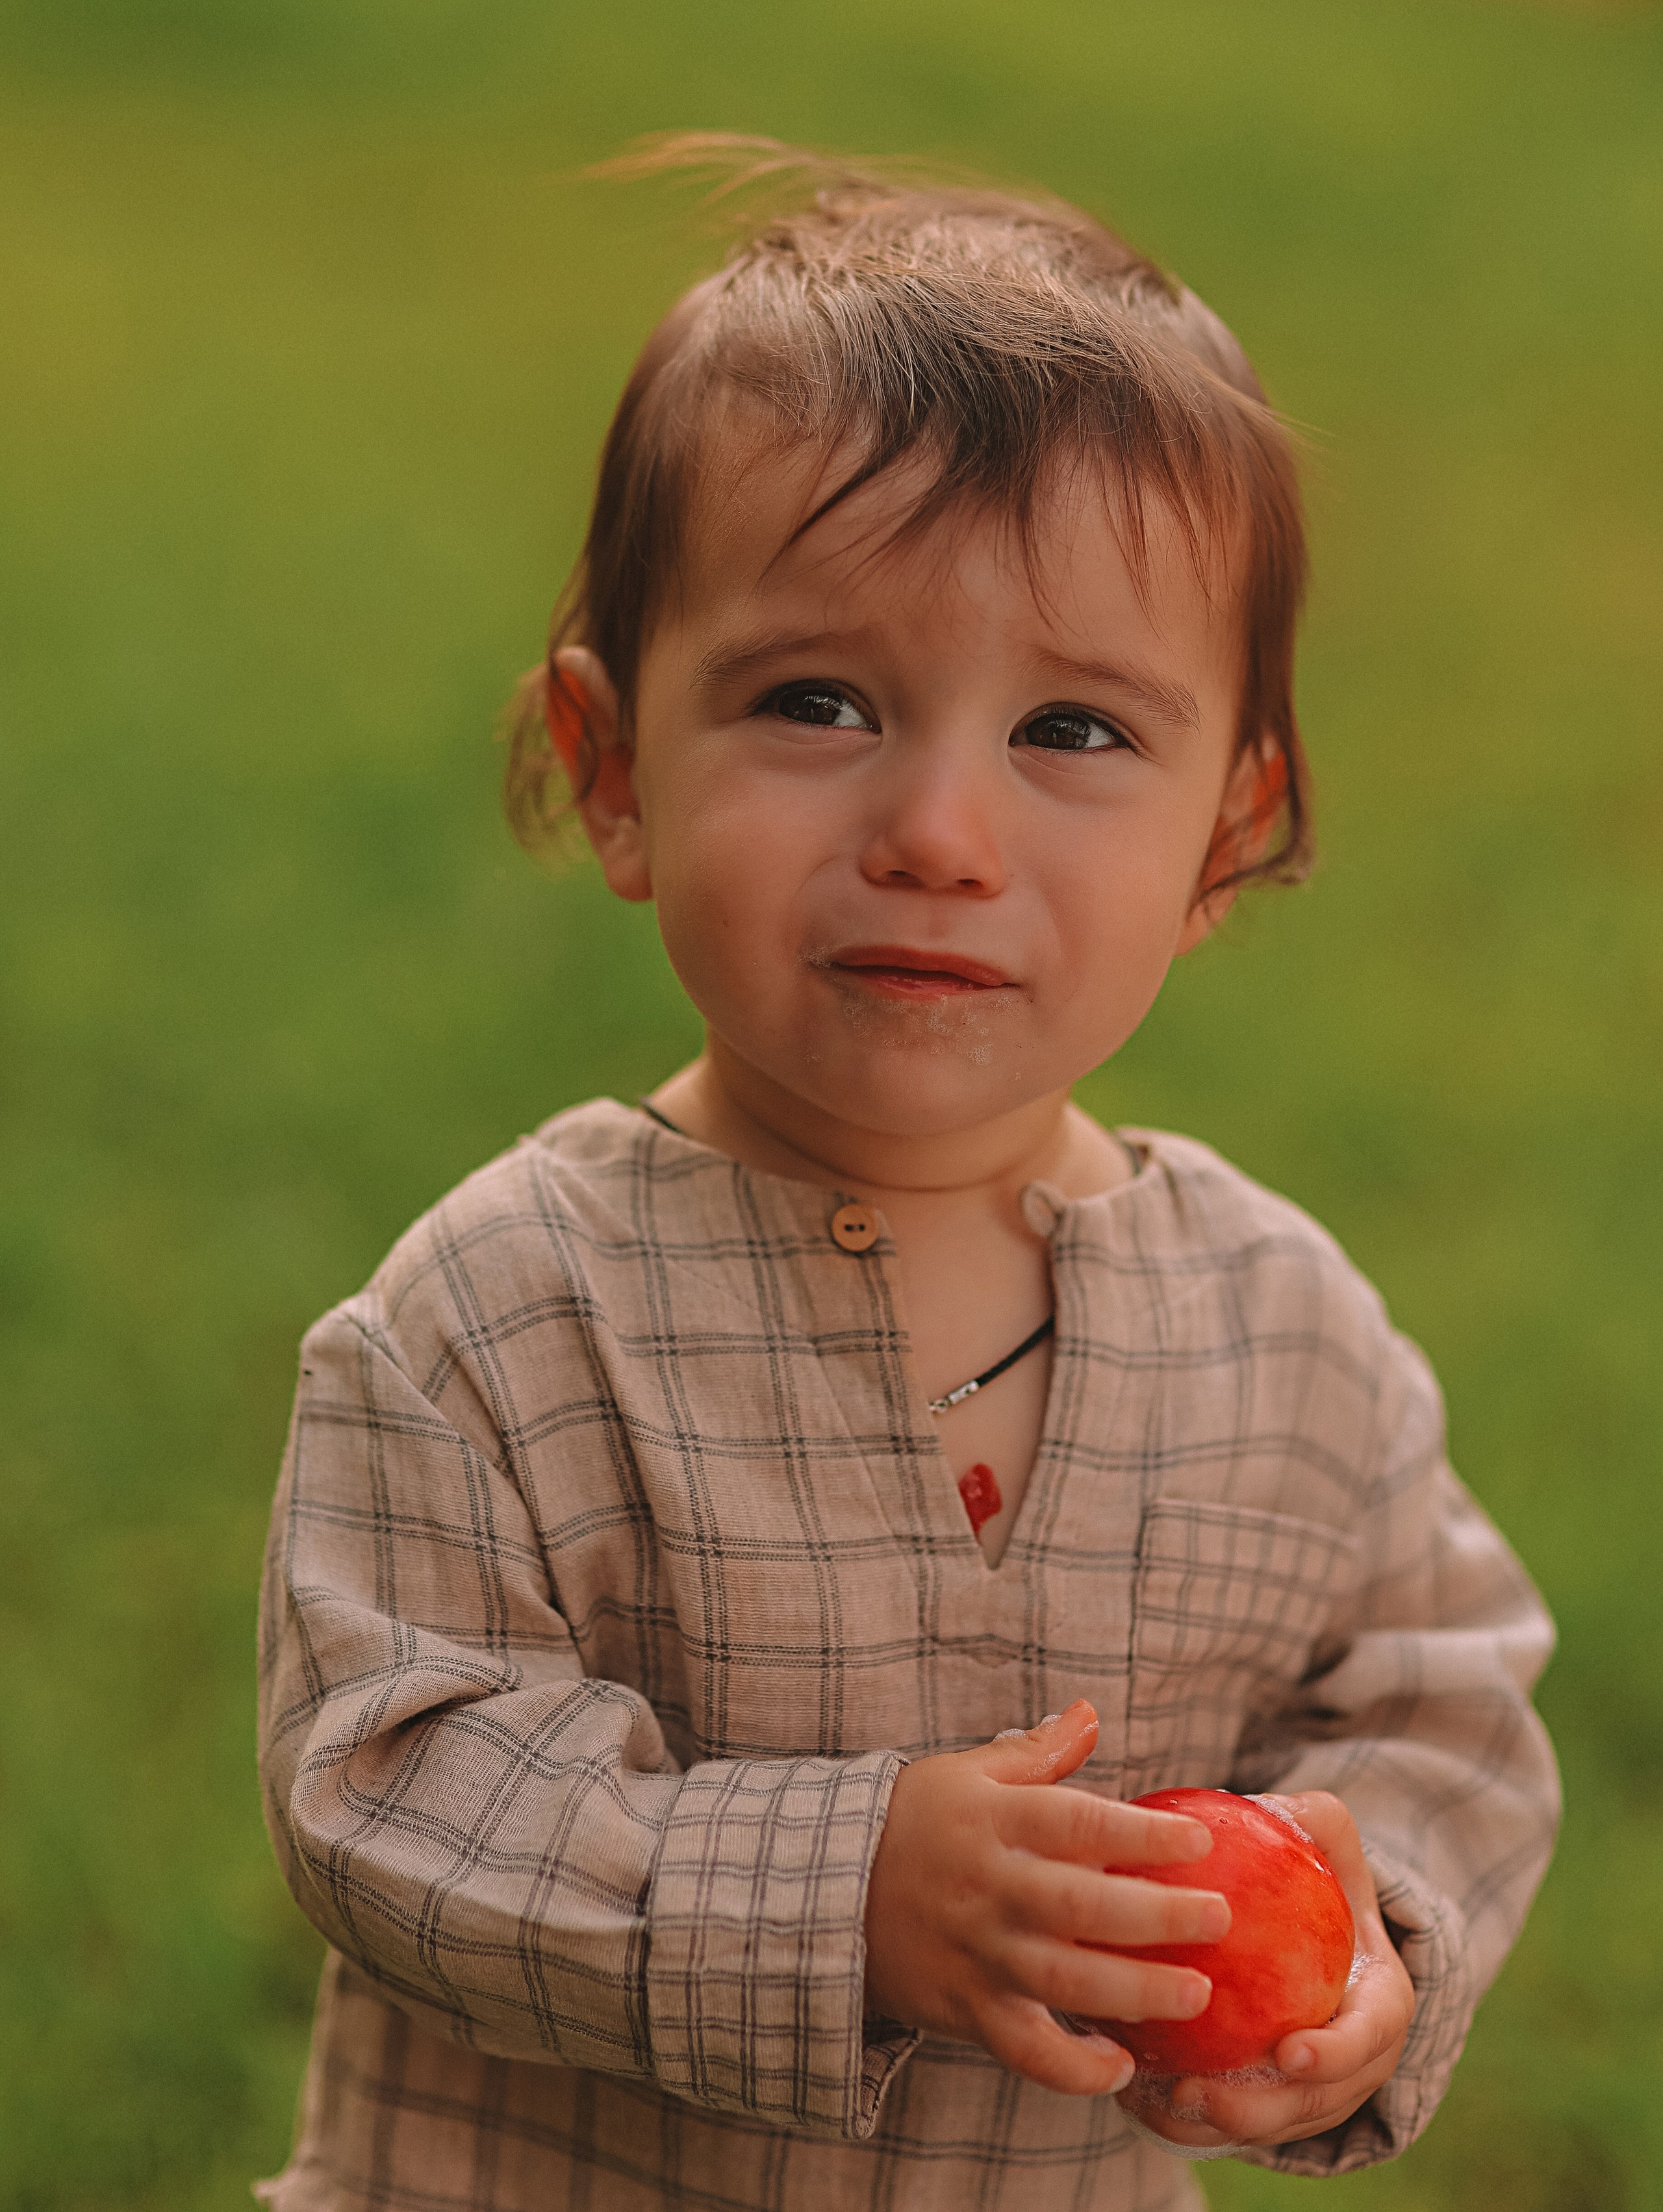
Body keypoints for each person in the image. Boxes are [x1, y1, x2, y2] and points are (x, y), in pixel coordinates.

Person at [256, 146, 1558, 2212]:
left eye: (1074, 729)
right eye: (818, 701)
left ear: (1231, 832)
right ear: (610, 770)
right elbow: (386, 1794)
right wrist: (843, 1893)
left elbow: (1435, 1700)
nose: (942, 828)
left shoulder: (1285, 1333)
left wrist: (1365, 1927)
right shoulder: (502, 1314)